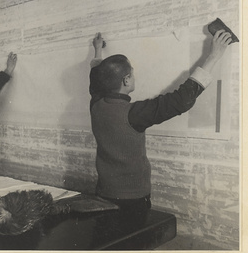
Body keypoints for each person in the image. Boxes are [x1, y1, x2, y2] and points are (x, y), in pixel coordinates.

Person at [89, 31, 232, 221]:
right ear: (126, 80)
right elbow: (180, 100)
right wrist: (214, 55)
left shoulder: (96, 104)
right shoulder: (134, 114)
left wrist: (98, 50)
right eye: (132, 73)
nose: (133, 76)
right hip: (133, 199)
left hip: (104, 192)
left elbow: (95, 78)